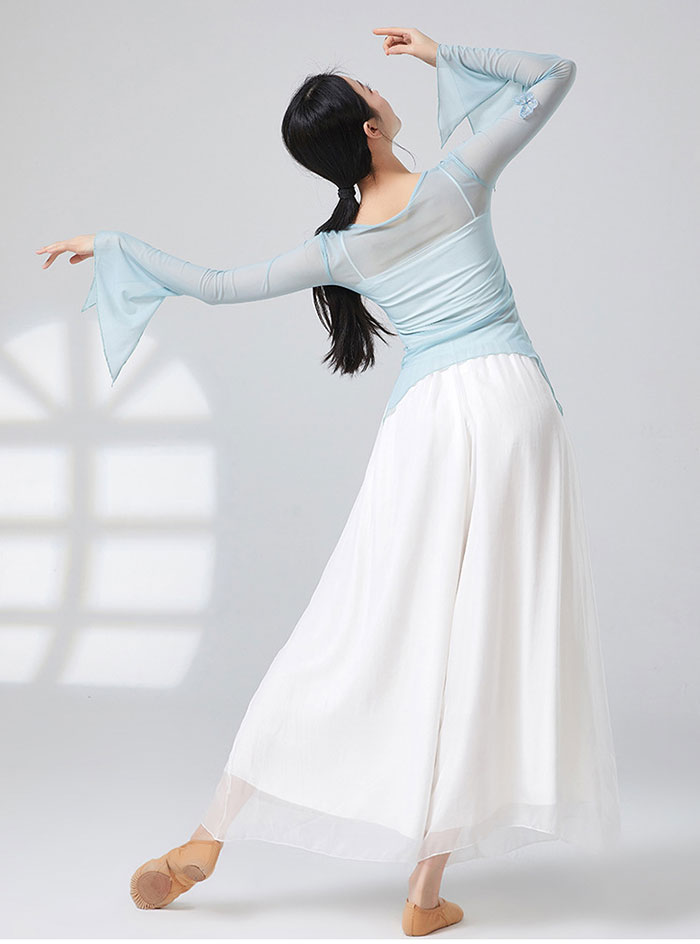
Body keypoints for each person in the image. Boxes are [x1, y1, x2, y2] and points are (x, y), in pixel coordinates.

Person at [36, 25, 621, 938]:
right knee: (487, 637)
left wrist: (116, 246)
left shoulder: (339, 251)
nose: (383, 91)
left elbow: (217, 284)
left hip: (427, 422)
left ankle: (209, 836)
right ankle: (423, 893)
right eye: (372, 91)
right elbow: (555, 73)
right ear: (373, 129)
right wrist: (442, 55)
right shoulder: (458, 176)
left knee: (355, 626)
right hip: (513, 407)